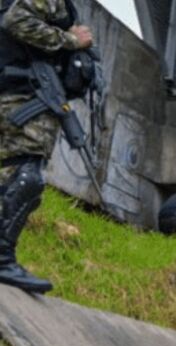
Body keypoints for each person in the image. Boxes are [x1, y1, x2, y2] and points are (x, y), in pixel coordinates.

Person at [0, 0, 94, 294]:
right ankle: (2, 259)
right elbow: (16, 20)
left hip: (15, 93)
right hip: (24, 98)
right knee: (26, 177)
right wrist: (70, 41)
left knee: (9, 175)